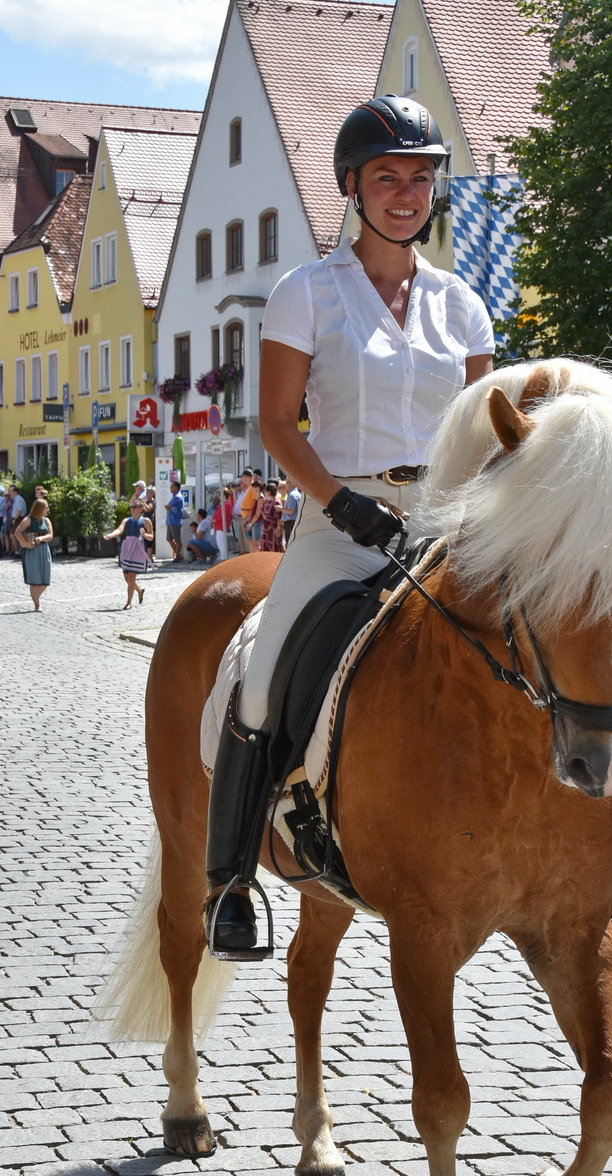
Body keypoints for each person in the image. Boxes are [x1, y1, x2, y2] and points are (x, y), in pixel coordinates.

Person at [203, 94, 494, 955]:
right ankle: (229, 882)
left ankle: (583, 849)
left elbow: (483, 422)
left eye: (419, 177)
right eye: (386, 177)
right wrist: (339, 501)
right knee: (258, 679)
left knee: (540, 644)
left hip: (445, 514)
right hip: (340, 518)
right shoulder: (307, 293)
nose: (405, 192)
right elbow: (279, 424)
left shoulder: (462, 304)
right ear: (351, 187)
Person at [105, 499, 153, 606]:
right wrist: (111, 535)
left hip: (137, 548)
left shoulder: (146, 521)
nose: (133, 509)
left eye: (135, 507)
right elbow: (120, 529)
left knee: (131, 576)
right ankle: (140, 591)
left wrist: (144, 535)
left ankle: (128, 603)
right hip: (127, 548)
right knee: (127, 577)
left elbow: (151, 537)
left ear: (141, 509)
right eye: (131, 507)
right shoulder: (126, 520)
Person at [14, 496, 52, 611]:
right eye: (46, 507)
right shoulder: (28, 520)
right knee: (34, 579)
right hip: (32, 551)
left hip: (44, 549)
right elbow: (17, 532)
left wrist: (41, 538)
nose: (47, 509)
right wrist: (25, 543)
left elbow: (50, 535)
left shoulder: (46, 521)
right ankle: (37, 604)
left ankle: (35, 597)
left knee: (45, 581)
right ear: (39, 508)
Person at [257, 480, 284, 551]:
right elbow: (262, 509)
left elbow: (279, 517)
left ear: (269, 492)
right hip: (267, 526)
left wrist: (278, 528)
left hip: (274, 527)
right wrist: (264, 517)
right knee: (265, 545)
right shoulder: (266, 501)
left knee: (274, 545)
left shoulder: (277, 502)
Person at [164, 486, 185, 557]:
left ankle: (178, 556)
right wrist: (169, 507)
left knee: (177, 540)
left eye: (172, 486)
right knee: (169, 539)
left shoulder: (177, 497)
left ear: (176, 487)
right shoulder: (174, 497)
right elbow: (168, 507)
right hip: (170, 521)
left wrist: (169, 507)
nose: (170, 487)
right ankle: (178, 555)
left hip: (175, 521)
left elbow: (167, 506)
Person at [281, 481, 302, 548]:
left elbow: (291, 511)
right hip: (294, 522)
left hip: (290, 522)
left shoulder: (292, 495)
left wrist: (280, 509)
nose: (286, 484)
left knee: (290, 544)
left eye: (288, 482)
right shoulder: (296, 494)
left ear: (292, 483)